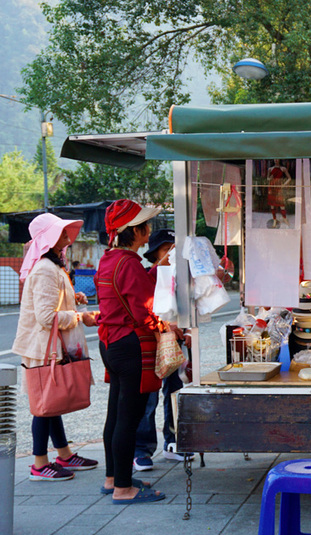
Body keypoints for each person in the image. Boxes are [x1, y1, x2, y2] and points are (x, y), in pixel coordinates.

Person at [13, 213, 99, 481]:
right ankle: (39, 464)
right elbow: (46, 317)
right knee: (43, 404)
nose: (67, 236)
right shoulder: (45, 269)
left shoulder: (52, 266)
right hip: (42, 347)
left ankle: (64, 454)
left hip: (47, 346)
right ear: (48, 238)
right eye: (61, 232)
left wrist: (73, 298)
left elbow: (51, 303)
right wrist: (79, 317)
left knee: (52, 402)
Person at [95, 199, 168, 504]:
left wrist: (157, 268)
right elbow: (143, 311)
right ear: (135, 231)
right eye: (144, 224)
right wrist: (165, 327)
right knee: (129, 418)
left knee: (115, 414)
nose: (148, 229)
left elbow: (128, 295)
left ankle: (114, 478)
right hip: (130, 344)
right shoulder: (129, 263)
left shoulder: (110, 259)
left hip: (110, 343)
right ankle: (124, 489)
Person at [133, 228, 195, 471]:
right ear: (155, 253)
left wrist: (187, 331)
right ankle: (142, 449)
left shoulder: (182, 278)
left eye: (174, 249)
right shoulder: (148, 276)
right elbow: (143, 310)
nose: (171, 254)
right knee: (148, 398)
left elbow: (189, 310)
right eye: (166, 249)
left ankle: (173, 441)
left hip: (175, 342)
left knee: (175, 393)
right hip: (152, 342)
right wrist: (166, 325)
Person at [267, 160, 292, 228]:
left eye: (277, 158)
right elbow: (267, 179)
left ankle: (284, 218)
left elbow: (289, 178)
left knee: (281, 204)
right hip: (272, 187)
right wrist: (269, 179)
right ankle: (274, 219)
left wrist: (284, 184)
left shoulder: (283, 168)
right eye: (275, 158)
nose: (276, 160)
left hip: (279, 186)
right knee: (272, 205)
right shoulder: (270, 169)